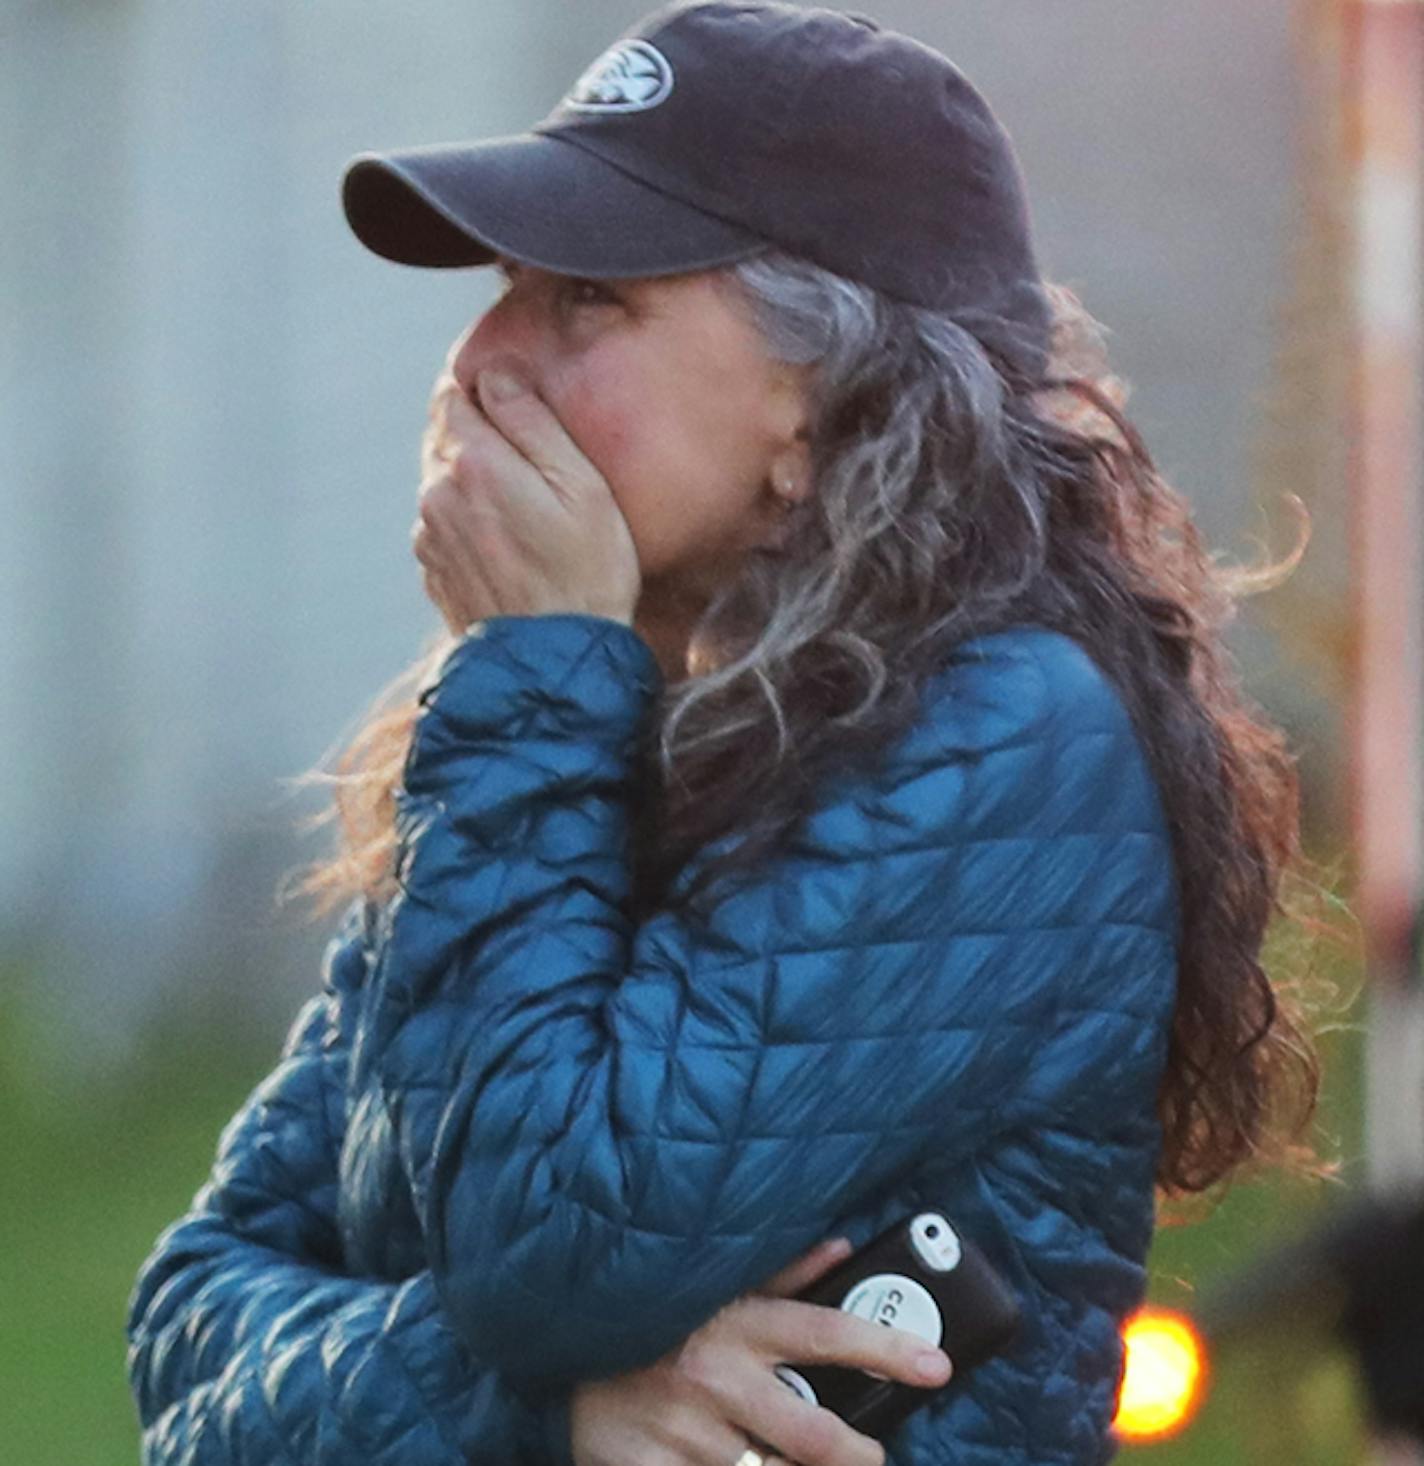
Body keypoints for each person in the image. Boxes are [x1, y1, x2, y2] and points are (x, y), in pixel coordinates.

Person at [125, 3, 1333, 1464]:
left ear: (825, 410)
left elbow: (553, 1256)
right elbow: (190, 1328)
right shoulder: (567, 726)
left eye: (587, 298)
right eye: (510, 283)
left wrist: (532, 666)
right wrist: (543, 1415)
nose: (479, 361)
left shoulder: (1004, 735)